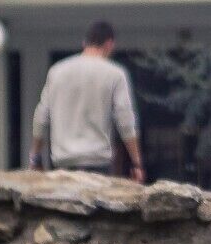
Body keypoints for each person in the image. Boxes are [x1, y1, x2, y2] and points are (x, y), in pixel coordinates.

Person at [30, 21, 144, 181]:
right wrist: (136, 162)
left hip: (63, 162)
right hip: (98, 164)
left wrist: (35, 156)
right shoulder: (115, 74)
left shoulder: (57, 72)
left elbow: (41, 117)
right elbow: (125, 120)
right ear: (110, 44)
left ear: (85, 43)